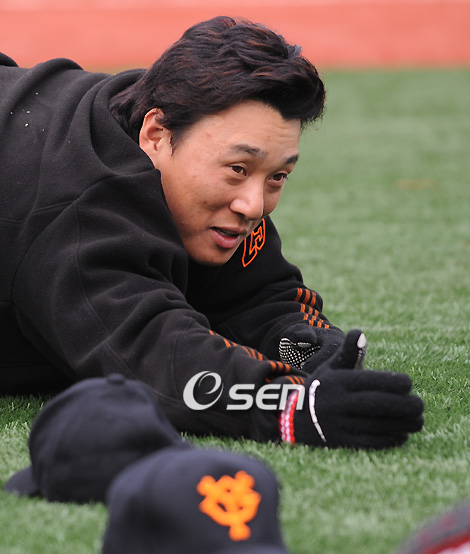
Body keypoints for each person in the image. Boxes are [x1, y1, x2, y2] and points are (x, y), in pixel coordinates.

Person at [0, 16, 424, 448]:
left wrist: (302, 343)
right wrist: (291, 404)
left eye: (277, 176)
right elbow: (153, 356)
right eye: (237, 168)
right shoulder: (79, 215)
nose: (253, 206)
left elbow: (254, 295)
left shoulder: (170, 130)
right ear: (156, 134)